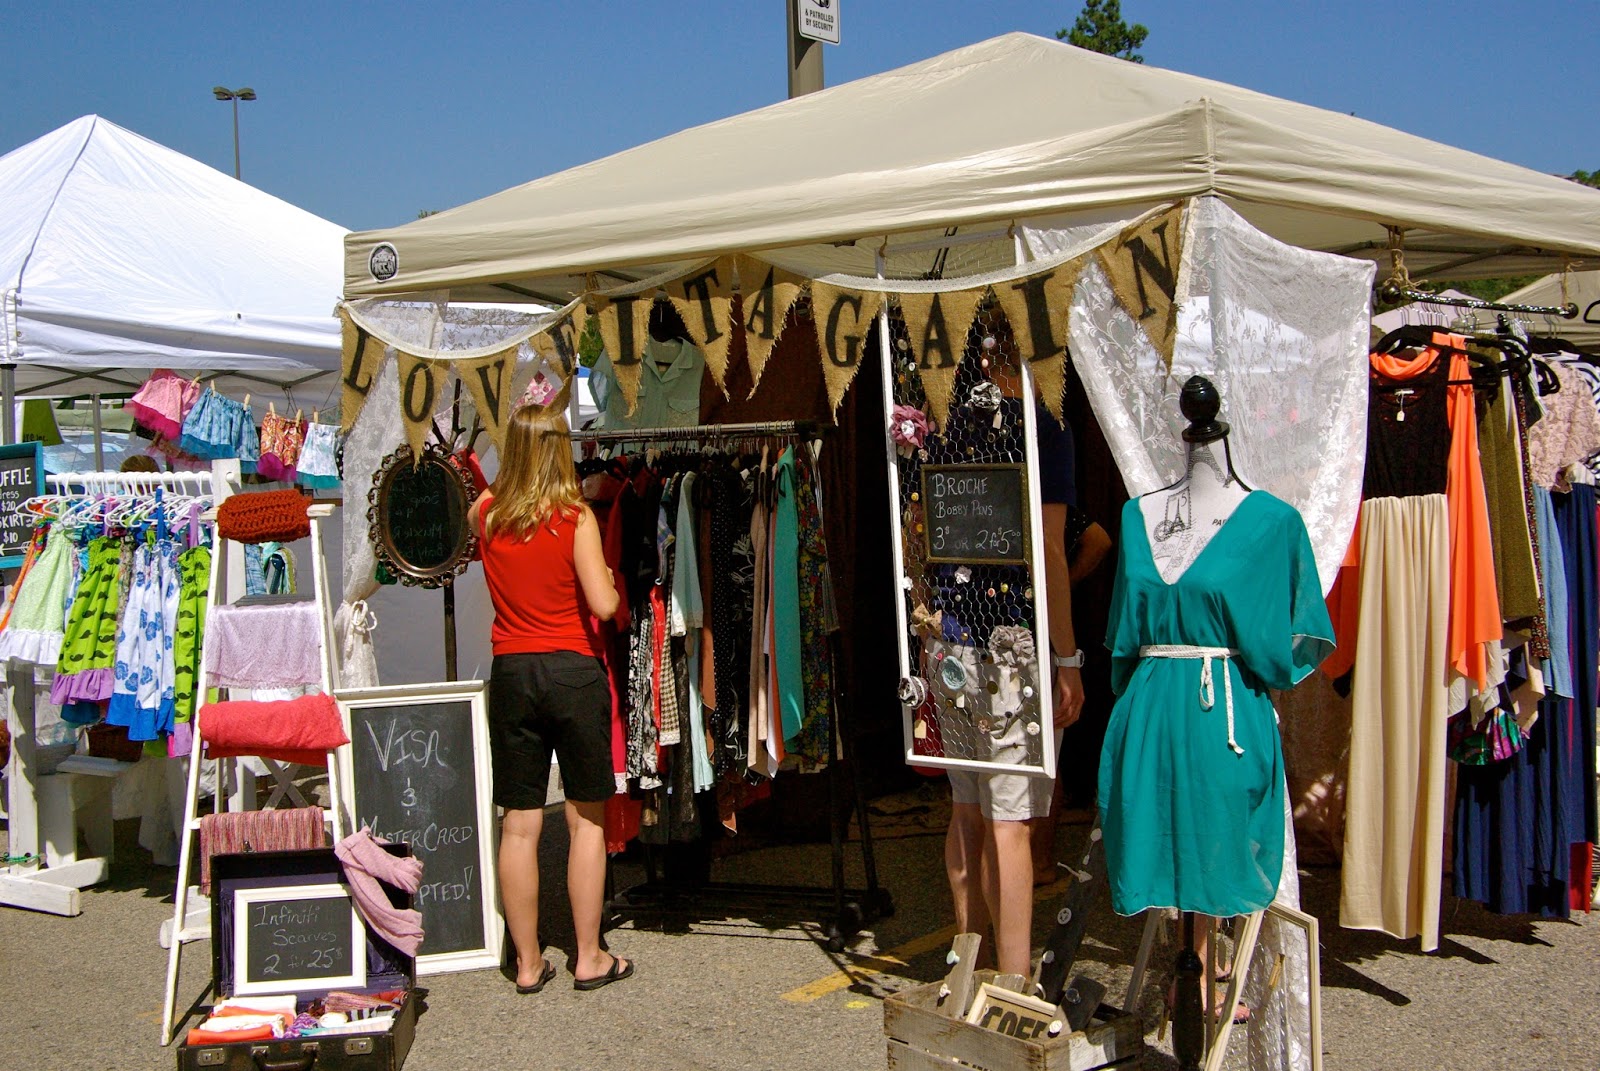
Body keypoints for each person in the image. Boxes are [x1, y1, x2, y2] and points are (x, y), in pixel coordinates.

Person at [469, 404, 633, 993]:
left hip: (513, 672)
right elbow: (604, 606)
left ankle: (528, 962)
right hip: (572, 670)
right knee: (585, 818)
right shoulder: (574, 516)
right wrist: (609, 578)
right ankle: (588, 957)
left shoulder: (485, 513)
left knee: (519, 824)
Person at [942, 334, 1085, 979]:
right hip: (1010, 644)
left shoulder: (943, 419)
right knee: (1010, 820)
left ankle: (966, 967)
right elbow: (1050, 550)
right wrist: (1068, 659)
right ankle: (1013, 983)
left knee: (967, 807)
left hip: (949, 643)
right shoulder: (1044, 423)